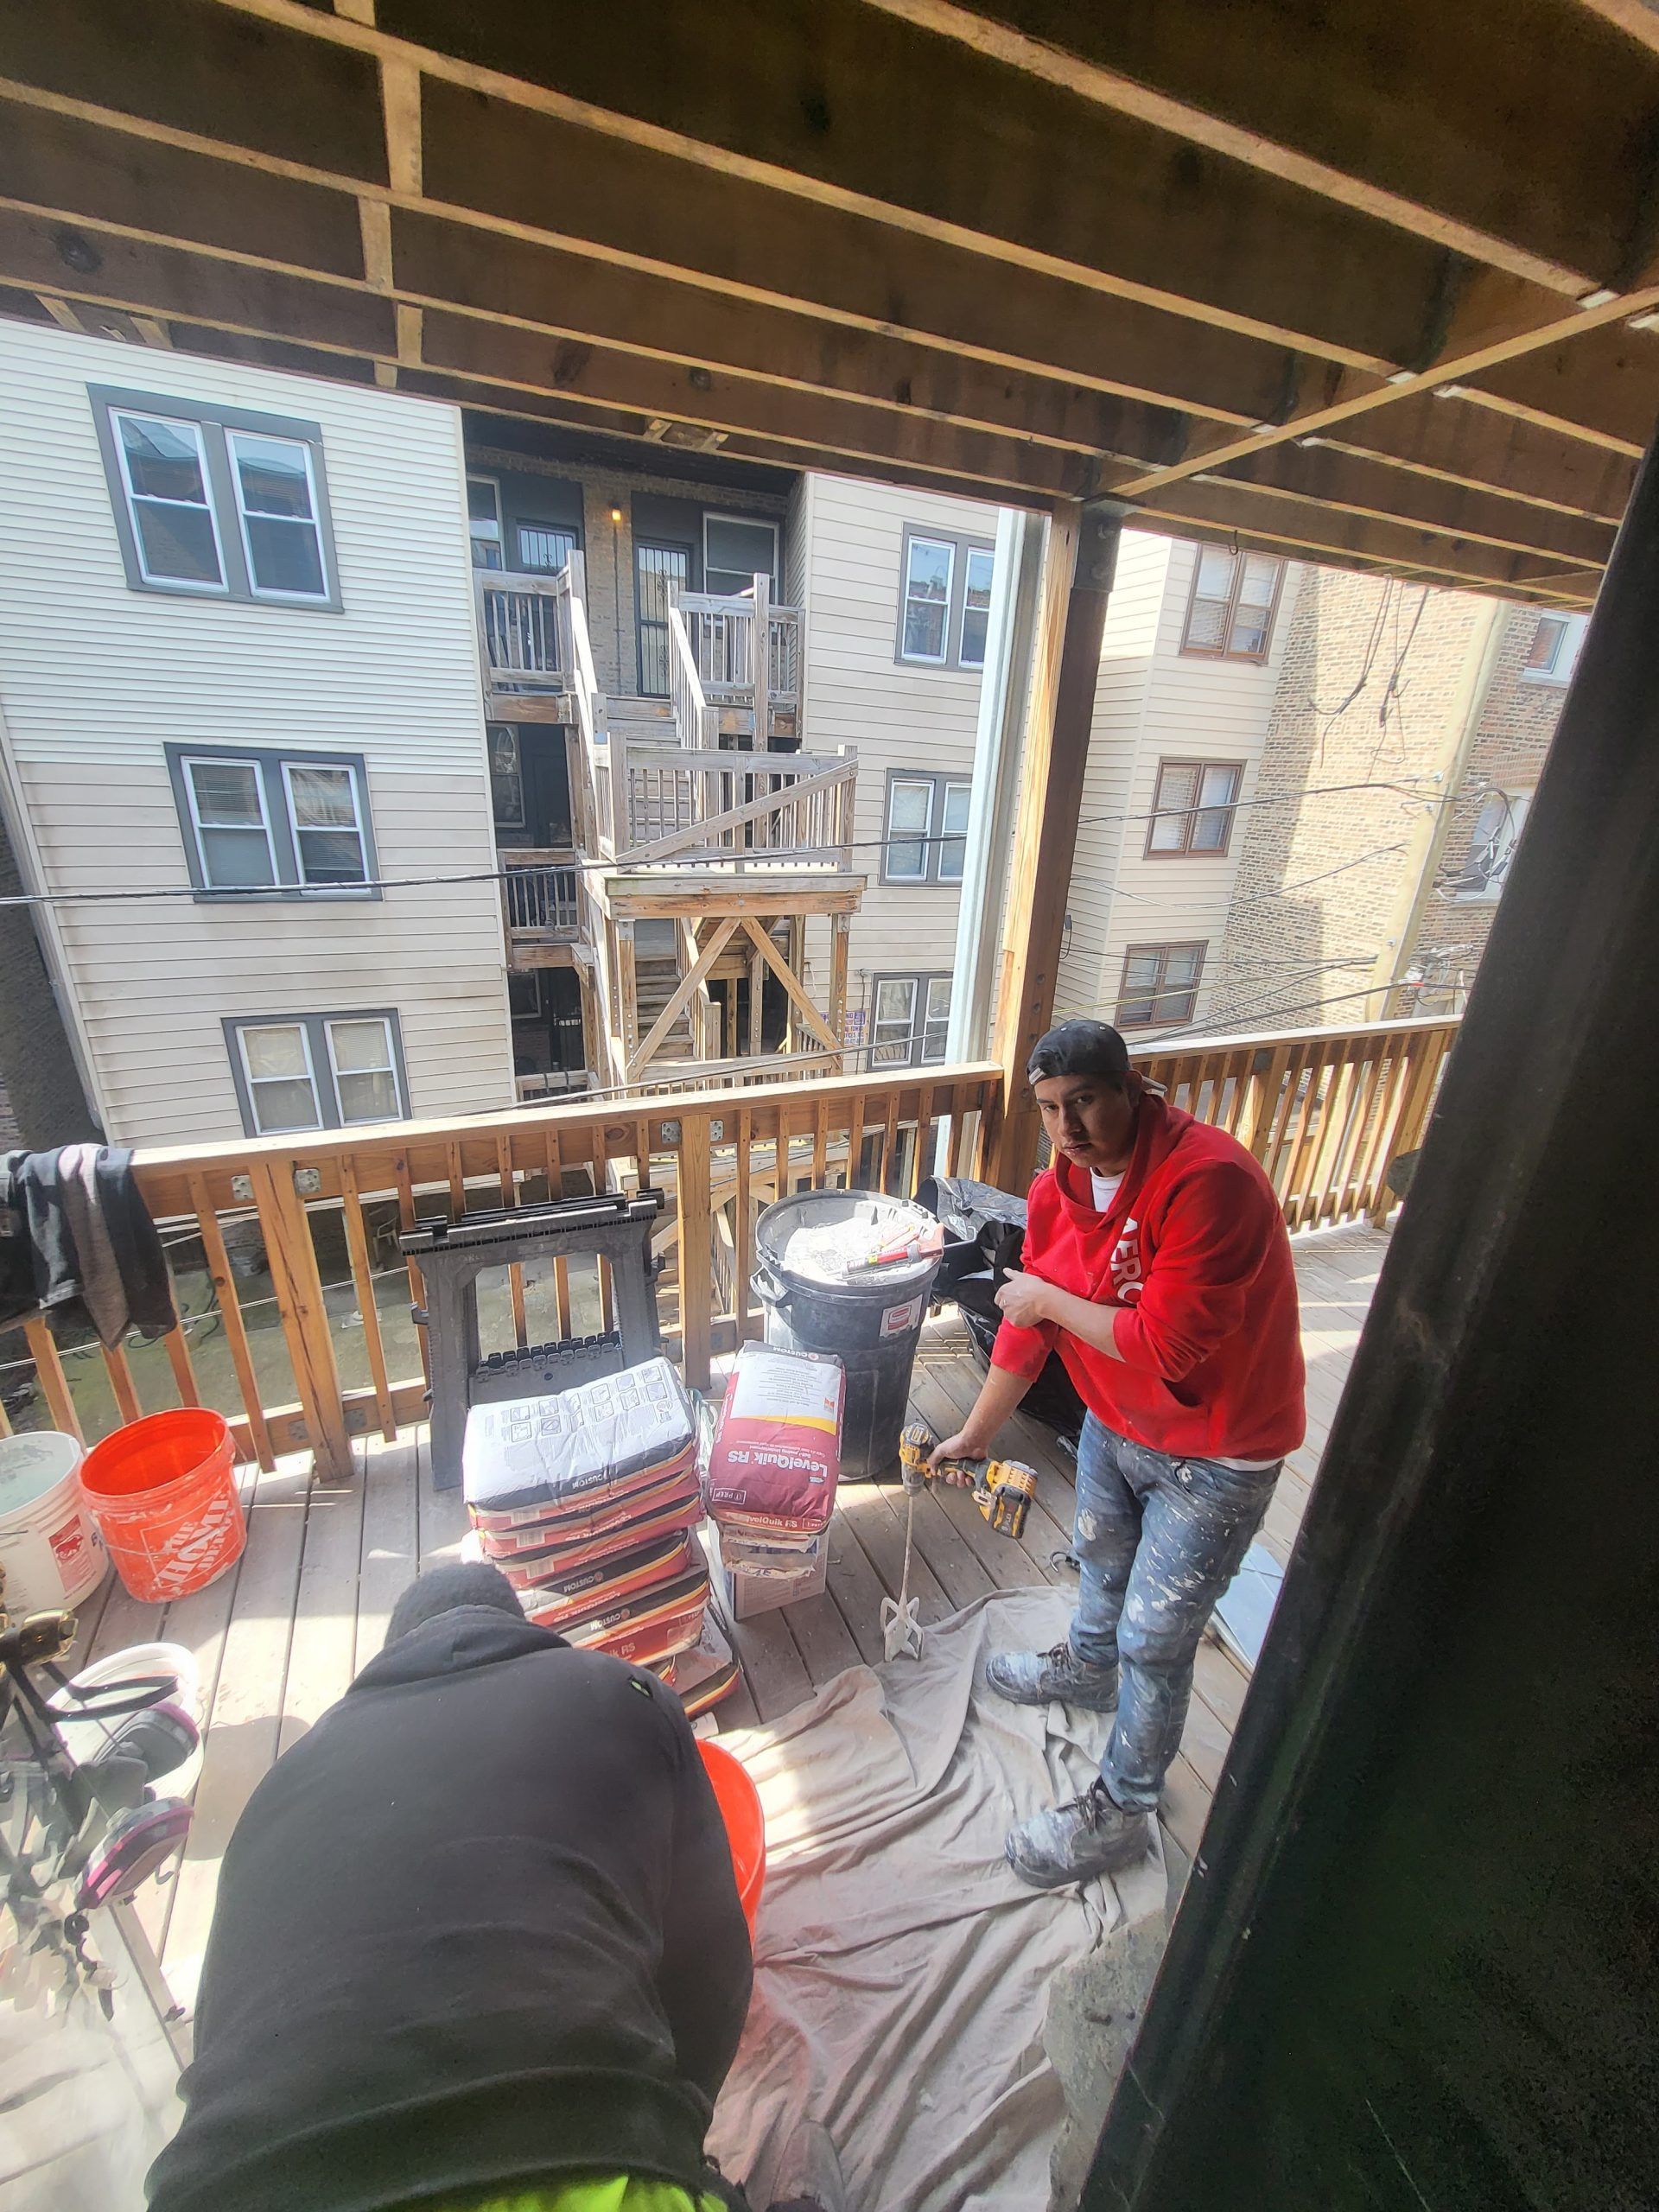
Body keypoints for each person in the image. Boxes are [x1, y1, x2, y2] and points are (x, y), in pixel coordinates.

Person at [146, 1561, 836, 2212]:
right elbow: (712, 1974)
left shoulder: (276, 1790)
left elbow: (218, 2033)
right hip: (573, 2153)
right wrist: (672, 2132)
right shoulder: (623, 1693)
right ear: (520, 1631)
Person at [931, 1020, 1305, 1890]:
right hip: (1115, 1420)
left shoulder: (1208, 1182)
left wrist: (1048, 1300)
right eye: (1049, 1108)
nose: (1067, 1127)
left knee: (1157, 1635)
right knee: (1099, 1561)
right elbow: (1026, 1331)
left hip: (1219, 1448)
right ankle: (1089, 1672)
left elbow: (1167, 1346)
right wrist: (976, 1434)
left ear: (1133, 1090)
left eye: (1086, 1101)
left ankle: (1124, 1808)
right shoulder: (1055, 1191)